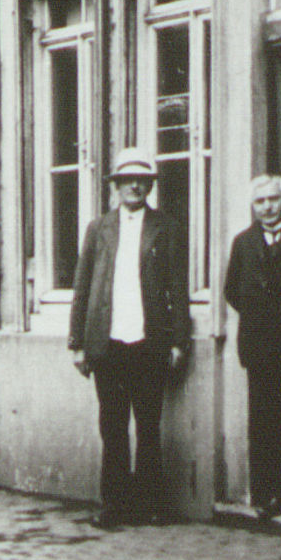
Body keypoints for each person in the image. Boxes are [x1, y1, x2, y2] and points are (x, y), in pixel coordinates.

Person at [68, 148, 192, 529]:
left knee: (149, 425)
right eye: (127, 181)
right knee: (113, 426)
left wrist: (178, 341)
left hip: (148, 340)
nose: (135, 186)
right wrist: (76, 341)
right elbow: (83, 285)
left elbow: (177, 286)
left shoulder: (166, 227)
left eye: (142, 180)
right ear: (117, 187)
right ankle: (115, 505)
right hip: (107, 342)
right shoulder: (98, 228)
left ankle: (150, 504)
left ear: (150, 186)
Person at [222, 174, 281, 520]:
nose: (267, 207)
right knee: (261, 422)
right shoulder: (244, 242)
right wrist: (258, 315)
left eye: (273, 200)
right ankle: (264, 493)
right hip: (258, 345)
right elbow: (231, 290)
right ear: (253, 206)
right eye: (260, 202)